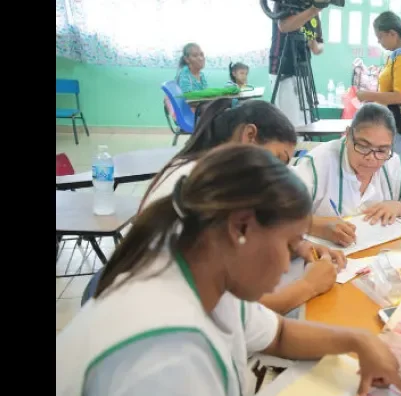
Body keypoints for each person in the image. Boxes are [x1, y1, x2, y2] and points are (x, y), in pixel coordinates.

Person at [57, 144, 401, 396]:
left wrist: (359, 340)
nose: (286, 267)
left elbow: (279, 334)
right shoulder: (166, 362)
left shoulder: (201, 270)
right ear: (240, 228)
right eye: (289, 244)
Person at [81, 99, 343, 316]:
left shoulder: (218, 174)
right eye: (276, 160)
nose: (275, 174)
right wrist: (308, 286)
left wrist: (299, 246)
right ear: (249, 135)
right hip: (144, 314)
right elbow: (234, 311)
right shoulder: (200, 190)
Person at [293, 103, 401, 247]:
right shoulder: (318, 164)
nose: (371, 157)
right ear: (347, 135)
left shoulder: (392, 163)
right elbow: (277, 217)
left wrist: (398, 206)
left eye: (382, 150)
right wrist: (318, 226)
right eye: (363, 146)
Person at [356, 12, 401, 165]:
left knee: (396, 163)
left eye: (380, 36)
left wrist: (368, 95)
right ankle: (398, 187)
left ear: (392, 34)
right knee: (396, 160)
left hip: (399, 117)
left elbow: (399, 96)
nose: (379, 41)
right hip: (399, 116)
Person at [270, 1, 325, 127]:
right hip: (283, 69)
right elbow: (284, 26)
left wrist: (315, 46)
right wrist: (314, 9)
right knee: (289, 122)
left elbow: (320, 44)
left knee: (306, 122)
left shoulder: (314, 13)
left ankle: (303, 146)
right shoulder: (286, 3)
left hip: (304, 70)